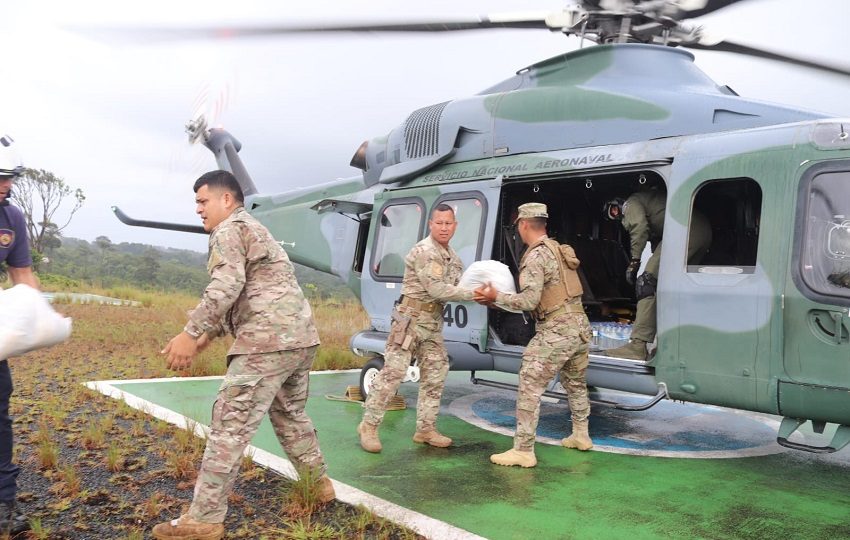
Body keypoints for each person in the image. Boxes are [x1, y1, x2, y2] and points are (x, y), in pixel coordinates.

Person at [153, 170, 333, 540]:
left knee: (229, 428)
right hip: (299, 338)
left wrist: (191, 333)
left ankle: (204, 518)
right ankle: (318, 484)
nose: (198, 209)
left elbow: (228, 284)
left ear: (227, 199)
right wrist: (209, 334)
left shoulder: (228, 229)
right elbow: (252, 292)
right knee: (289, 414)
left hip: (266, 343)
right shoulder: (254, 228)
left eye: (203, 201)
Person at [473, 203, 593, 468]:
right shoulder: (558, 249)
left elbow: (529, 301)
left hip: (557, 328)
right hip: (579, 325)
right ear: (543, 224)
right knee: (575, 382)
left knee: (529, 382)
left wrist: (495, 296)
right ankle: (581, 434)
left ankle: (523, 450)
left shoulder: (535, 256)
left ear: (523, 224)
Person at [358, 203, 474, 453]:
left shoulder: (453, 258)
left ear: (455, 226)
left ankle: (425, 429)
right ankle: (368, 426)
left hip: (432, 324)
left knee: (436, 373)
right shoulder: (423, 251)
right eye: (439, 223)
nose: (444, 227)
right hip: (409, 321)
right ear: (431, 224)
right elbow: (437, 289)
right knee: (393, 373)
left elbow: (457, 285)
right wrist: (475, 294)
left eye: (448, 223)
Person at [602, 190, 711, 360]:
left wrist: (634, 261)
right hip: (701, 232)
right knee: (671, 287)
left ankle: (637, 346)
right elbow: (655, 241)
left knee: (646, 284)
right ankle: (676, 342)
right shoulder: (650, 203)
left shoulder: (631, 202)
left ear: (618, 202)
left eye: (614, 210)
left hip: (683, 232)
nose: (616, 214)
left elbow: (638, 226)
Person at [0, 135, 37, 535]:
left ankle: (3, 502)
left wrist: (38, 315)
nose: (6, 185)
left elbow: (22, 273)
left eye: (9, 177)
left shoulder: (11, 219)